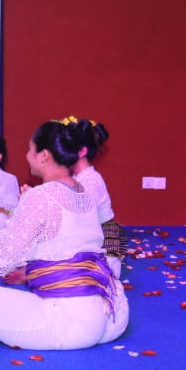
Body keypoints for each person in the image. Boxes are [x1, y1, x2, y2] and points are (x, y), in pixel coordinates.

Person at [0, 118, 129, 350]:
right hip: (109, 315)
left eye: (30, 149)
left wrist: (19, 214)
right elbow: (59, 244)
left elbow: (2, 259)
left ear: (43, 156)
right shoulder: (83, 191)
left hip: (69, 322)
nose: (27, 156)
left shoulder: (40, 195)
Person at [71, 118, 126, 277]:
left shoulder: (91, 182)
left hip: (103, 244)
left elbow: (82, 225)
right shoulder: (76, 177)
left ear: (81, 152)